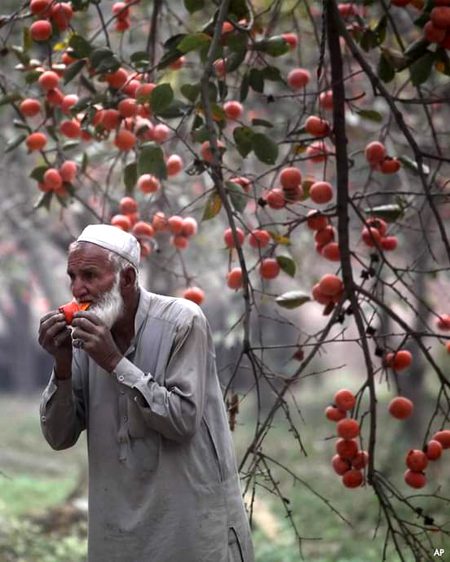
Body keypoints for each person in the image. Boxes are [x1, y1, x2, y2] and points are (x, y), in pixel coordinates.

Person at [38, 224, 254, 562]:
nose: (77, 289)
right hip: (118, 531)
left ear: (126, 277)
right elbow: (59, 436)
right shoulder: (84, 339)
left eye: (90, 275)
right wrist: (62, 365)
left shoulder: (183, 322)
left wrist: (113, 361)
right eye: (73, 276)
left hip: (188, 525)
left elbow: (182, 420)